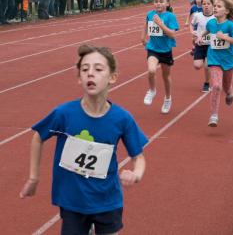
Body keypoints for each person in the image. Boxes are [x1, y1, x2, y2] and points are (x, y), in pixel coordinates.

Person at [20, 45, 148, 235]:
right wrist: (33, 177)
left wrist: (136, 174)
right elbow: (38, 137)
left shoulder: (122, 119)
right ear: (79, 78)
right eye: (85, 69)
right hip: (73, 201)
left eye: (98, 69)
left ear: (112, 77)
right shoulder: (64, 114)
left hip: (107, 200)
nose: (90, 74)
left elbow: (139, 157)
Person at [204, 0, 233, 127]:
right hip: (214, 59)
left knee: (226, 86)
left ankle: (230, 92)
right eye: (215, 6)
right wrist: (199, 37)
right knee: (216, 86)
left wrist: (224, 38)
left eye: (219, 6)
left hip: (228, 61)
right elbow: (207, 30)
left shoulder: (231, 26)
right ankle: (213, 115)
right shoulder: (211, 23)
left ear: (226, 11)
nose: (215, 8)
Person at [141, 0, 179, 114]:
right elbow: (146, 25)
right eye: (156, 1)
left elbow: (172, 34)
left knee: (166, 76)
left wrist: (161, 24)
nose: (158, 4)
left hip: (166, 50)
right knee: (151, 70)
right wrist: (143, 37)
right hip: (152, 48)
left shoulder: (170, 16)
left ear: (167, 3)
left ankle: (168, 98)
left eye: (161, 1)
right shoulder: (150, 14)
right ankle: (152, 90)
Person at [190, 0, 215, 92]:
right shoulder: (198, 15)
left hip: (211, 45)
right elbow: (192, 24)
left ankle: (207, 83)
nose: (206, 6)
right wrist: (193, 32)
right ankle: (206, 61)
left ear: (213, 5)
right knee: (197, 66)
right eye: (204, 4)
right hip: (200, 44)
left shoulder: (215, 17)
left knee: (207, 66)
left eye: (208, 4)